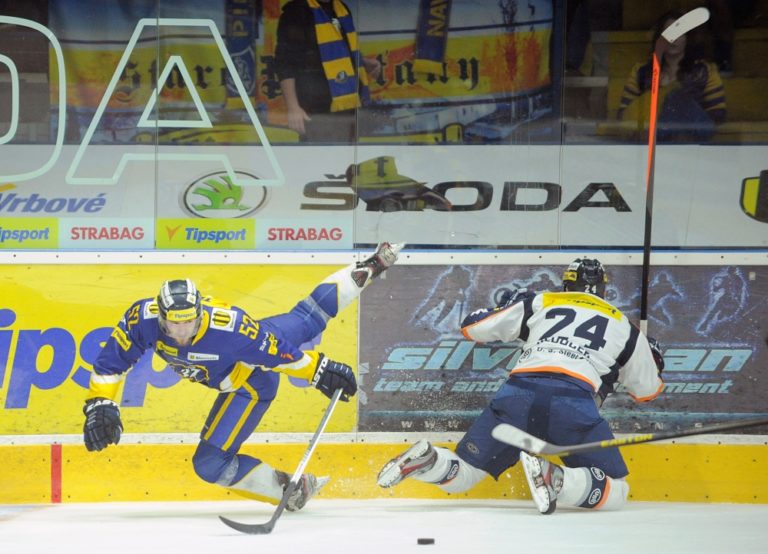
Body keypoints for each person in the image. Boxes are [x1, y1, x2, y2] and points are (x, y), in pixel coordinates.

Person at [82, 243, 403, 511]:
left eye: (189, 323)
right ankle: (369, 266)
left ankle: (290, 492)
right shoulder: (142, 318)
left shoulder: (231, 328)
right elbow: (111, 362)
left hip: (249, 384)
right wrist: (100, 403)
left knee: (209, 463)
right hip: (243, 356)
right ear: (161, 316)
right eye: (173, 324)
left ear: (200, 314)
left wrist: (319, 370)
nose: (181, 332)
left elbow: (279, 355)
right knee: (306, 317)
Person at [377, 258, 665, 515]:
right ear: (603, 289)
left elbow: (472, 327)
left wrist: (508, 306)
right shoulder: (625, 327)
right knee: (617, 490)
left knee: (465, 475)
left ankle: (429, 460)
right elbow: (647, 391)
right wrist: (652, 358)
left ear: (566, 284)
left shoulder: (542, 302)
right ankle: (559, 481)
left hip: (517, 395)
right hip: (572, 401)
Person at [274, 0, 381, 143]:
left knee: (347, 155)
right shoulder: (297, 11)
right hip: (316, 108)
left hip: (348, 105)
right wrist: (293, 107)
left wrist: (363, 62)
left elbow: (341, 50)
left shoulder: (341, 8)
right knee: (321, 155)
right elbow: (285, 62)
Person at [616, 11, 726, 143]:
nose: (673, 38)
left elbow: (717, 114)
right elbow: (623, 114)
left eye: (680, 32)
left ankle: (659, 135)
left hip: (693, 139)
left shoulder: (705, 71)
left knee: (676, 97)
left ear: (688, 37)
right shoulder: (641, 71)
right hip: (650, 140)